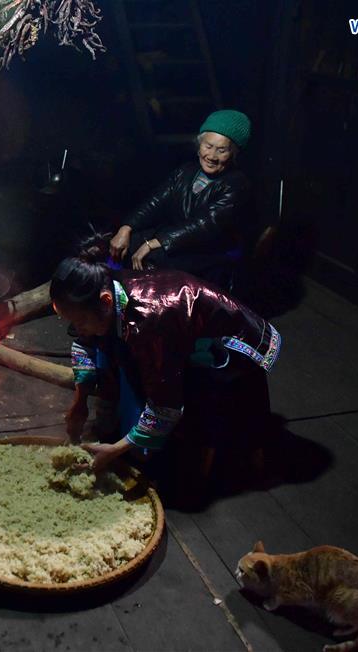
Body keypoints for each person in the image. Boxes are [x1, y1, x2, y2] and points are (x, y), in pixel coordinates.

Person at [52, 236, 281, 506]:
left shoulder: (149, 320)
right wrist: (80, 403)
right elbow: (84, 342)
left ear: (104, 301)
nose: (76, 328)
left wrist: (115, 451)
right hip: (176, 332)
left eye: (79, 321)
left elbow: (164, 403)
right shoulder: (101, 287)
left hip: (232, 344)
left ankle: (184, 461)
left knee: (169, 404)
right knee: (107, 350)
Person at [108, 109, 256, 290]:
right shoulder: (185, 172)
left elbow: (204, 225)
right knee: (125, 246)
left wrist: (154, 243)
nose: (211, 156)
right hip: (176, 239)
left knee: (153, 258)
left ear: (233, 154)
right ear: (199, 144)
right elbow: (155, 202)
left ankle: (158, 310)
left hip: (209, 250)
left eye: (221, 150)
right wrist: (126, 228)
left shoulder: (236, 184)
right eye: (208, 146)